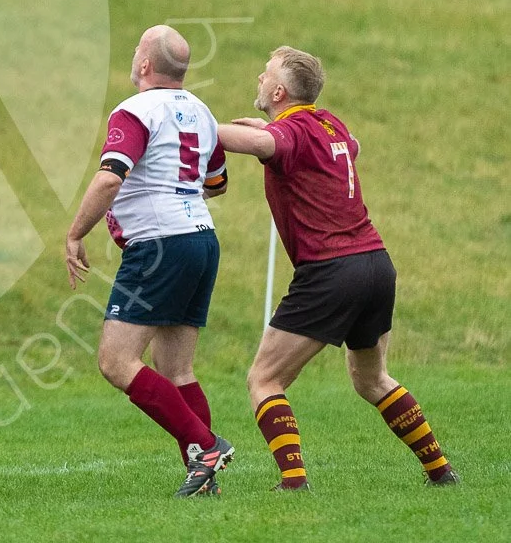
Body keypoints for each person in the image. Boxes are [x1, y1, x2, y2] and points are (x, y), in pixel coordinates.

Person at [217, 46, 458, 491]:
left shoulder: (289, 134)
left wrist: (192, 124)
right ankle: (440, 471)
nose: (258, 76)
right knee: (371, 380)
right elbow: (343, 146)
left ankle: (293, 484)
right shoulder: (331, 124)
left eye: (264, 73)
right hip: (376, 265)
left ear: (278, 90)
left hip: (331, 272)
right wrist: (269, 130)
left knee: (265, 379)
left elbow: (268, 143)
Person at [65, 26, 232, 498]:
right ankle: (203, 478)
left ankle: (205, 445)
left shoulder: (135, 109)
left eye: (137, 47)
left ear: (144, 65)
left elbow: (110, 177)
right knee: (177, 368)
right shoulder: (202, 111)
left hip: (158, 246)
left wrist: (76, 232)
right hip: (201, 239)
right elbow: (217, 183)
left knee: (116, 361)